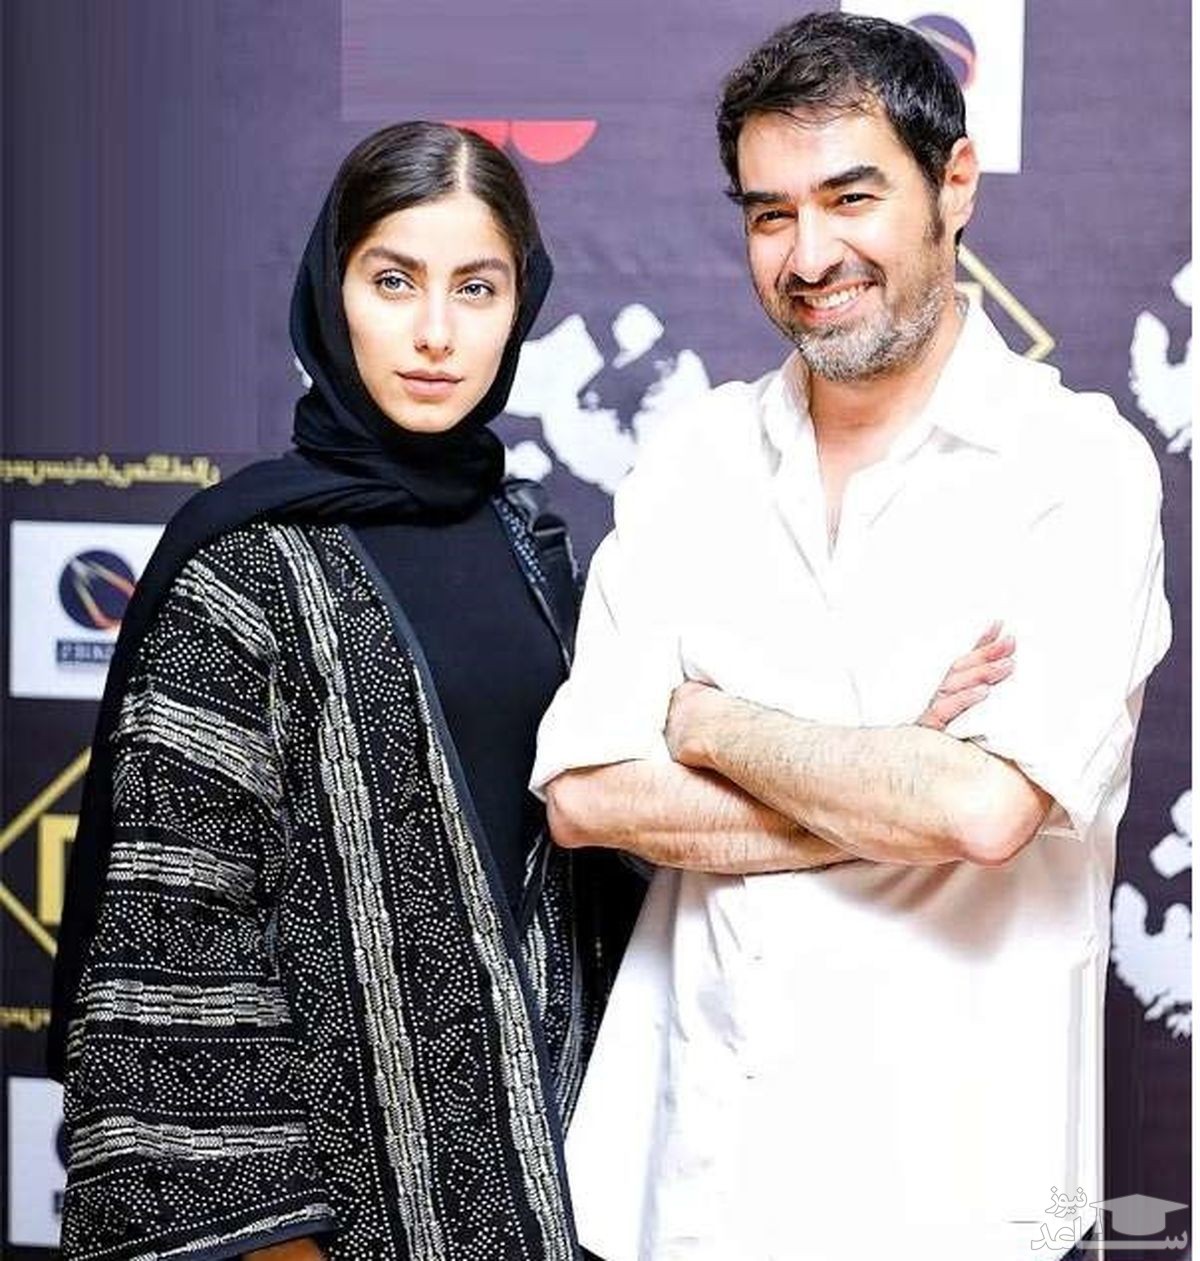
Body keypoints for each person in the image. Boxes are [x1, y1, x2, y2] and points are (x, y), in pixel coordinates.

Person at [533, 13, 1170, 1261]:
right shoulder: (695, 457)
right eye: (770, 213)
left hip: (945, 1203)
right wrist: (895, 763)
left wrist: (711, 722)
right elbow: (588, 796)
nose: (811, 253)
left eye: (851, 196)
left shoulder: (1078, 468)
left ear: (955, 185)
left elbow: (983, 810)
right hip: (687, 1187)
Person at [48, 121, 640, 1261]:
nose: (435, 333)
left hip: (560, 1192)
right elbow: (181, 933)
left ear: (520, 306)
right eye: (394, 280)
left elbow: (598, 875)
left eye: (477, 287)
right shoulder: (241, 567)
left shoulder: (540, 553)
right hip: (332, 1208)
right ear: (334, 291)